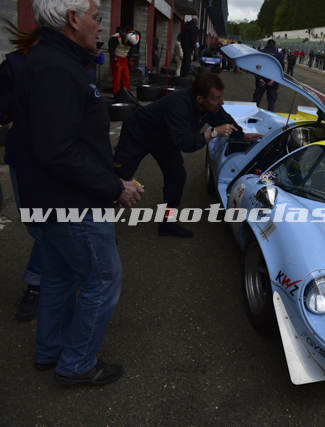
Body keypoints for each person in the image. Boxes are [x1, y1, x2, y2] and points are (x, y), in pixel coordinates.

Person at [12, 0, 144, 385]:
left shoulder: (51, 61)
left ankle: (50, 351)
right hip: (72, 203)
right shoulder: (57, 69)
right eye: (96, 18)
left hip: (50, 200)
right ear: (73, 19)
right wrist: (114, 187)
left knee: (59, 276)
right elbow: (58, 150)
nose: (100, 26)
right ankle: (76, 364)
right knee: (103, 280)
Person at [114, 72, 262, 238]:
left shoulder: (211, 106)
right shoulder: (178, 105)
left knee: (177, 177)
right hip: (138, 134)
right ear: (200, 99)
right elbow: (186, 144)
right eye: (216, 99)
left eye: (221, 97)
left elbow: (224, 119)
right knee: (118, 178)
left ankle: (167, 223)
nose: (221, 102)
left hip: (166, 138)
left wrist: (242, 135)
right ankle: (100, 225)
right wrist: (213, 133)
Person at [1, 24, 43, 322]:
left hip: (65, 162)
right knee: (39, 228)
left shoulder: (80, 65)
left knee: (52, 226)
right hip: (26, 160)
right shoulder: (14, 66)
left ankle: (37, 284)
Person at [253, 39, 284, 112]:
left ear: (267, 44)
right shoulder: (279, 55)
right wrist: (274, 80)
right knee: (271, 103)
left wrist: (259, 78)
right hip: (273, 80)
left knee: (256, 101)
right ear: (275, 45)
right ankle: (270, 116)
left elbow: (256, 66)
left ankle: (252, 115)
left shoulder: (260, 52)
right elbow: (281, 69)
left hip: (261, 79)